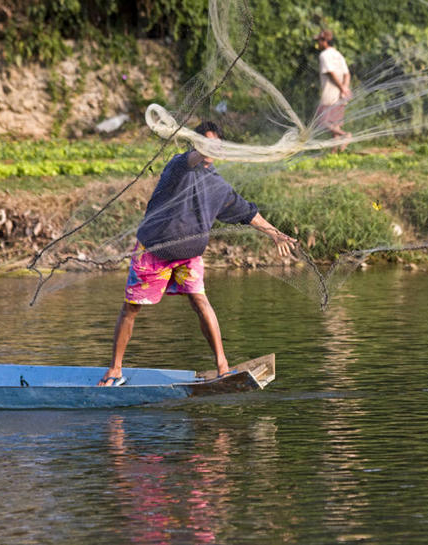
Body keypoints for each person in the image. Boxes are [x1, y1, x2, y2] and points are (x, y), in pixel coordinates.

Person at [98, 121, 297, 386]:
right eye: (203, 143)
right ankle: (115, 370)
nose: (208, 149)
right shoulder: (178, 166)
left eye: (214, 144)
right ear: (194, 145)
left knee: (201, 302)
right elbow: (191, 159)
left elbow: (247, 212)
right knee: (131, 309)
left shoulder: (218, 187)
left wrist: (274, 232)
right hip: (154, 250)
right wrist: (200, 150)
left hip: (188, 256)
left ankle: (222, 367)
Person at [314, 28, 352, 150]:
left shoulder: (324, 55)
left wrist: (341, 87)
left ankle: (346, 135)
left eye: (319, 41)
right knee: (335, 125)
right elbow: (347, 74)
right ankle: (334, 154)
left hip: (329, 94)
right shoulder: (338, 54)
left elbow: (330, 72)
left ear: (324, 41)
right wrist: (345, 88)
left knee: (322, 122)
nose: (318, 44)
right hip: (341, 95)